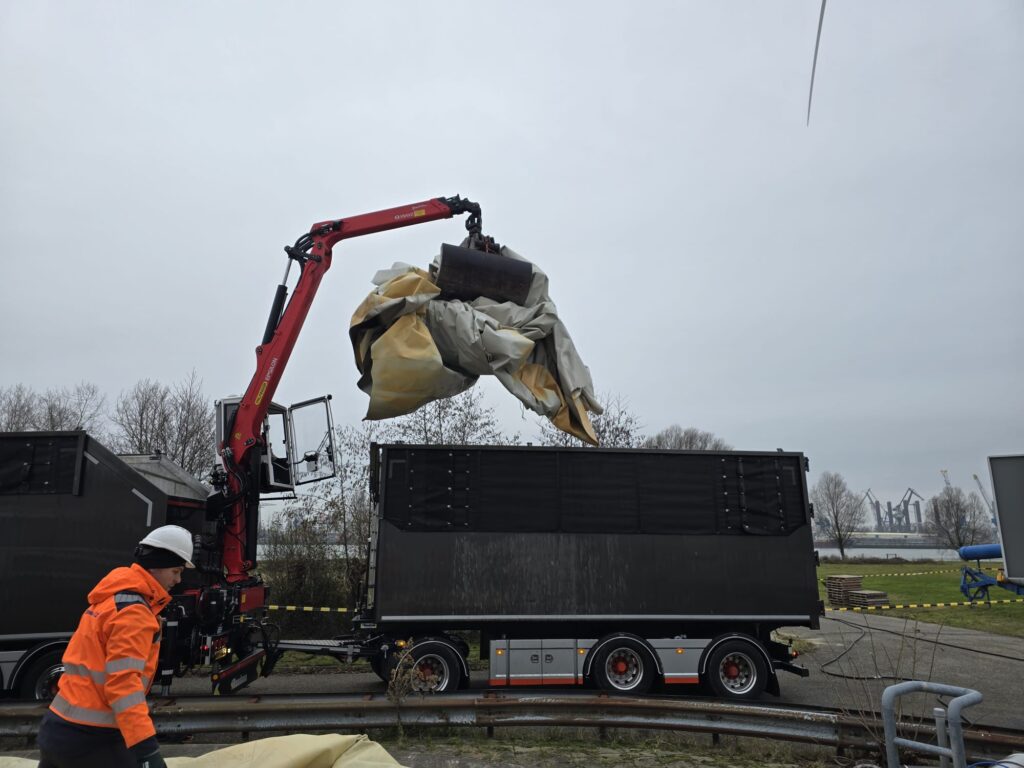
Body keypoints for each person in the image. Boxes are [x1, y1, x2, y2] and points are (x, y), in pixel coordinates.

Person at [37, 525, 195, 768]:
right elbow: (123, 685)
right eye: (175, 571)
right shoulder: (134, 613)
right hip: (92, 739)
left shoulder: (113, 599)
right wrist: (147, 750)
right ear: (157, 565)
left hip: (59, 728)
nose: (178, 579)